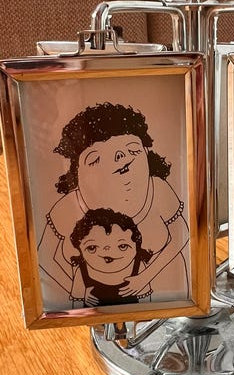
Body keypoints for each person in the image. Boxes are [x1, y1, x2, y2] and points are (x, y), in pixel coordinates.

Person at [38, 102, 189, 310]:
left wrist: (145, 277)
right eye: (96, 159)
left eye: (132, 150)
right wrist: (75, 290)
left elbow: (184, 235)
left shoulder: (158, 189)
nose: (120, 158)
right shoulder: (68, 205)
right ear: (76, 172)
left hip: (168, 304)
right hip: (90, 310)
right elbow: (44, 258)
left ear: (146, 152)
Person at [69, 208, 153, 308]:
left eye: (122, 246)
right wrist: (83, 298)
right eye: (92, 248)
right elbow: (74, 308)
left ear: (136, 246)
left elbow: (149, 305)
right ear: (79, 248)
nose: (107, 252)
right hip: (94, 316)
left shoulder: (138, 266)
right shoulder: (82, 271)